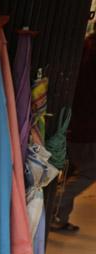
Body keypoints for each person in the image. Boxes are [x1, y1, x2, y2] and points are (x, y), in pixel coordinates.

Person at [54, 32, 96, 233]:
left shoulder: (85, 45)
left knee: (71, 171)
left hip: (73, 122)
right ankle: (54, 204)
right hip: (87, 128)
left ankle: (58, 216)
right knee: (90, 172)